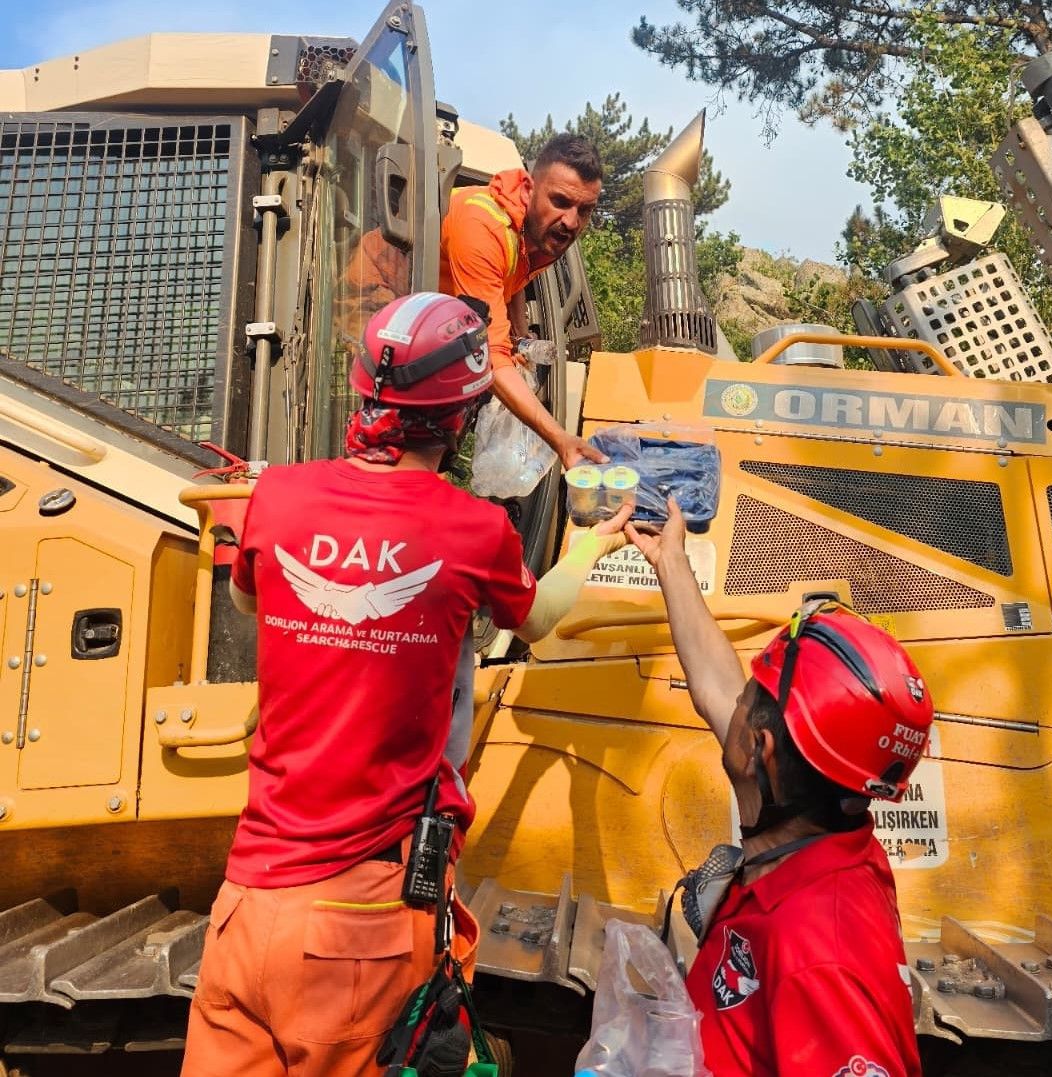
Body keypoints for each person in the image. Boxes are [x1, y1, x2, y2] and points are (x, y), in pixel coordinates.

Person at [181, 292, 633, 1077]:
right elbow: (536, 618)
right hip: (358, 926)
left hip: (245, 908)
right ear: (460, 417)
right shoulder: (473, 529)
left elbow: (250, 600)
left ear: (364, 388)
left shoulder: (277, 497)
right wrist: (592, 546)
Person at [626, 500, 931, 1077]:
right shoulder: (817, 844)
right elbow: (717, 687)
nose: (732, 703)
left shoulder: (819, 953)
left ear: (761, 749)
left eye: (747, 699)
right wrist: (670, 561)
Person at [440, 133, 606, 470]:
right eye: (560, 201)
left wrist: (520, 332)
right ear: (529, 189)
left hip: (437, 320)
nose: (572, 221)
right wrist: (560, 439)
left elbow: (514, 275)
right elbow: (489, 356)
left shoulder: (543, 234)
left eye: (585, 210)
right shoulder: (482, 225)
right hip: (372, 298)